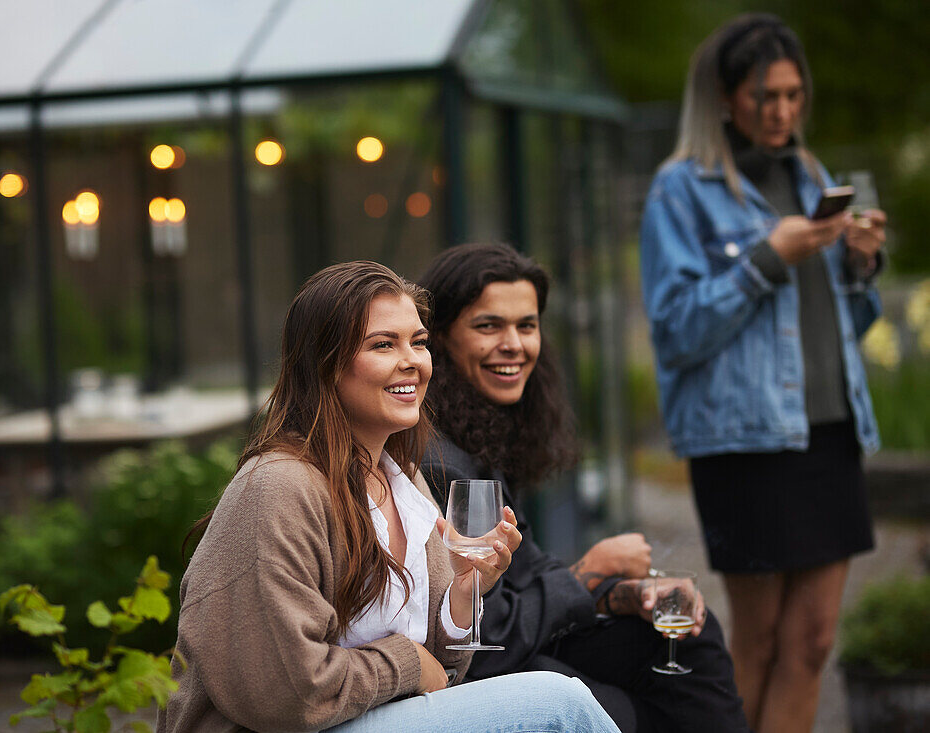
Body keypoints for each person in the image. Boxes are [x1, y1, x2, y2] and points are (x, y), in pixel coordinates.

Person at [159, 261, 619, 733]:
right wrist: (407, 663)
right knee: (557, 703)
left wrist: (463, 599)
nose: (413, 361)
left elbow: (443, 674)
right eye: (383, 344)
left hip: (369, 720)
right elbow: (287, 692)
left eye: (418, 342)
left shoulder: (405, 483)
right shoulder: (278, 487)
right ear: (325, 363)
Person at [639, 14, 886, 733]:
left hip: (829, 432)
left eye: (792, 95)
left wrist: (858, 266)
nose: (781, 112)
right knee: (758, 639)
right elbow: (677, 330)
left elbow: (838, 324)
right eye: (764, 96)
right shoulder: (679, 191)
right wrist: (766, 258)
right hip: (742, 445)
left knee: (812, 642)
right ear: (723, 96)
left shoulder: (810, 174)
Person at [418, 243, 749, 733]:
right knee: (623, 702)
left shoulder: (476, 435)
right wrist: (591, 572)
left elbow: (527, 571)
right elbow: (490, 633)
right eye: (488, 326)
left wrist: (620, 595)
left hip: (519, 641)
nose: (514, 344)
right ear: (440, 340)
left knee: (679, 637)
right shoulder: (444, 460)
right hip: (476, 666)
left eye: (526, 326)